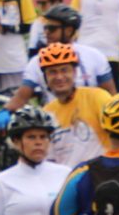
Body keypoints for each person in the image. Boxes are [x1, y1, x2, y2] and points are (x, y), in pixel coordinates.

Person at [21, 35, 112, 165]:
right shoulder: (47, 114)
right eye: (52, 72)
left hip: (100, 172)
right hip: (66, 175)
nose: (59, 77)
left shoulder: (97, 98)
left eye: (64, 70)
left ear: (74, 73)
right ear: (45, 77)